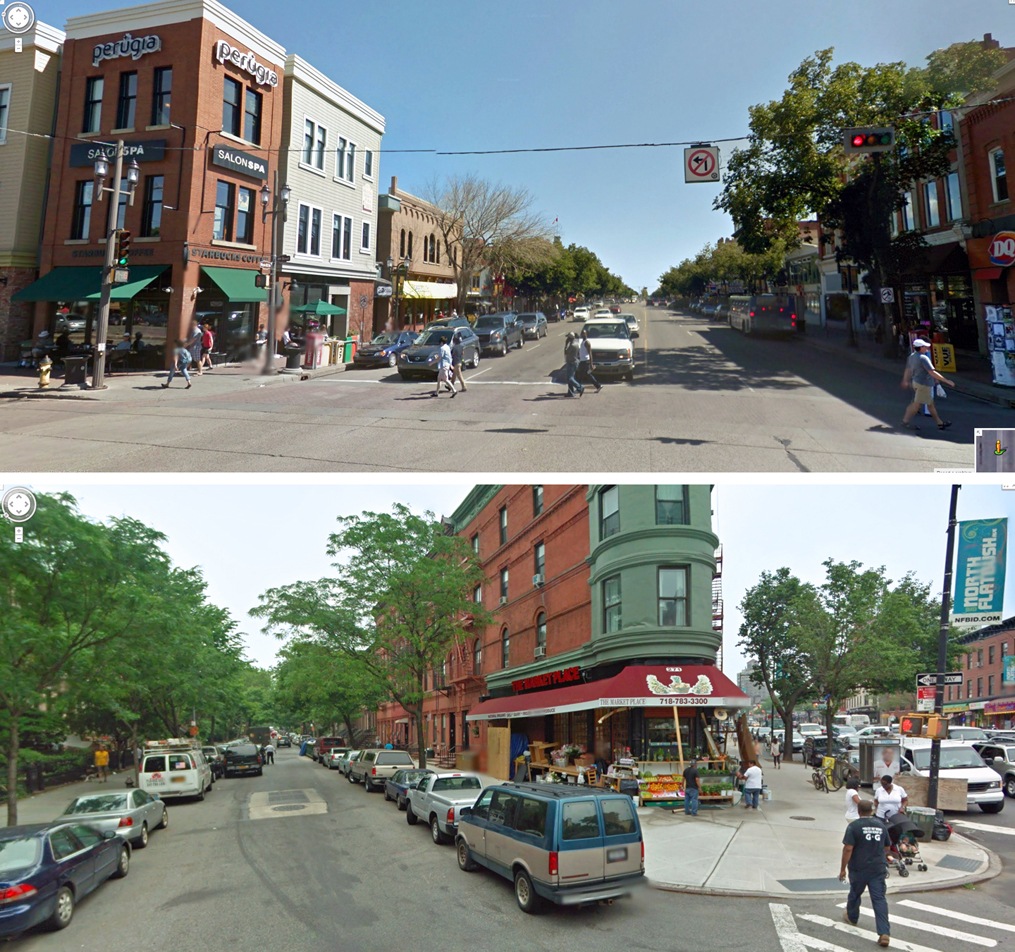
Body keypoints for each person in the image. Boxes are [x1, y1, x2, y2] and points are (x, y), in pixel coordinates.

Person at [839, 798, 891, 947]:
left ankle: (852, 917)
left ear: (859, 811)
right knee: (879, 899)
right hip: (877, 868)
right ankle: (884, 932)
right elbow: (887, 847)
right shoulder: (881, 826)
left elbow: (848, 849)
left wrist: (842, 869)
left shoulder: (854, 827)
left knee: (855, 893)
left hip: (859, 867)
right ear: (872, 811)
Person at [901, 339, 954, 431]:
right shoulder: (923, 358)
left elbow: (908, 369)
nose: (927, 348)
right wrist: (946, 381)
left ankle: (940, 423)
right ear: (920, 348)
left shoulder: (912, 356)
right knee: (917, 405)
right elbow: (932, 372)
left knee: (929, 404)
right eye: (925, 346)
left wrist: (905, 380)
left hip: (916, 383)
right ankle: (905, 421)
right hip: (923, 384)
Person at [564, 332, 583, 396]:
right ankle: (570, 392)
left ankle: (580, 387)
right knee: (570, 377)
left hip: (571, 362)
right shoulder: (577, 344)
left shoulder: (572, 345)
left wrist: (566, 345)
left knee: (570, 378)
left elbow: (566, 352)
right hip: (575, 361)